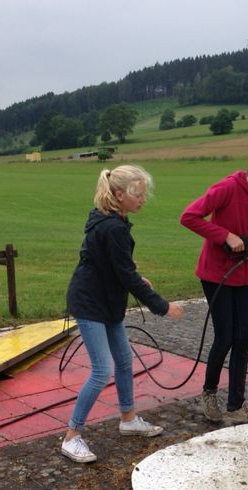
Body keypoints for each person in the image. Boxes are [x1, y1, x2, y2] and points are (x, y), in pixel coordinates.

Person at [62, 166, 184, 463]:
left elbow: (116, 266)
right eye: (138, 194)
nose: (143, 199)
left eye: (143, 194)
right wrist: (163, 306)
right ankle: (71, 436)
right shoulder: (112, 226)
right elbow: (124, 274)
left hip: (107, 301)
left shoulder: (111, 220)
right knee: (101, 370)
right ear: (119, 195)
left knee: (125, 361)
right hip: (90, 303)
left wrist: (136, 277)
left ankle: (128, 418)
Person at [180, 146, 248, 424]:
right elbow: (189, 217)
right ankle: (209, 392)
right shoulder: (227, 188)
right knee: (225, 336)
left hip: (245, 276)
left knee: (243, 337)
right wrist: (225, 235)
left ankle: (236, 405)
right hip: (215, 276)